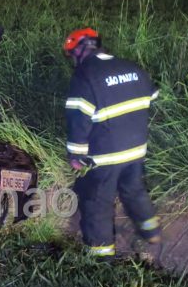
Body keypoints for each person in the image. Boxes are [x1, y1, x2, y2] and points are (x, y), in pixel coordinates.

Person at [63, 28, 162, 259]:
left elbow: (79, 119)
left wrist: (76, 156)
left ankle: (100, 258)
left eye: (72, 55)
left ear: (79, 50)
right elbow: (152, 96)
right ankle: (152, 232)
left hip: (105, 156)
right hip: (137, 150)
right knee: (135, 190)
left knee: (97, 203)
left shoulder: (85, 75)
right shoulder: (132, 68)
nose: (72, 61)